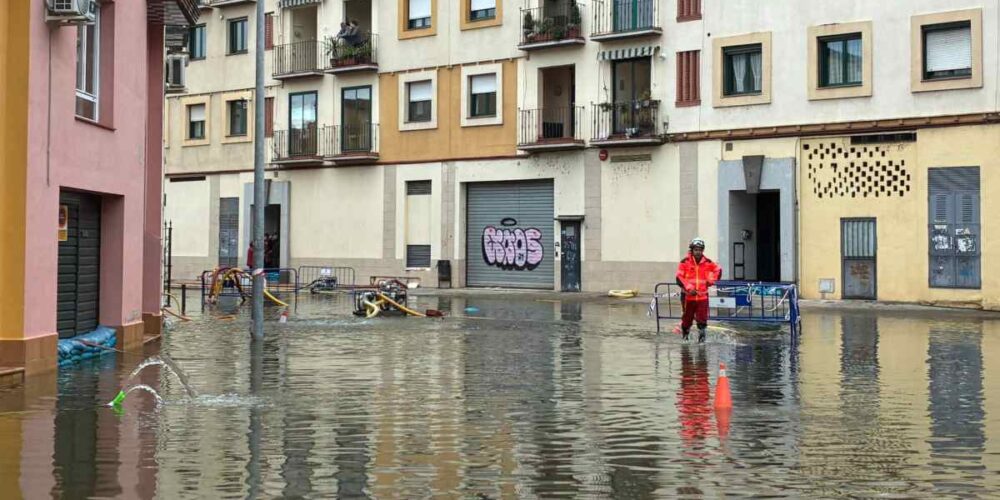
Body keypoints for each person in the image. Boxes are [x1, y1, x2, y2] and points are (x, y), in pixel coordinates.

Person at [675, 237, 721, 343]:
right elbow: (679, 277)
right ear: (692, 250)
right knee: (687, 319)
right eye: (696, 249)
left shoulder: (708, 262)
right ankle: (685, 338)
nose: (698, 252)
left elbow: (718, 270)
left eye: (700, 250)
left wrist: (711, 281)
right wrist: (689, 288)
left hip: (702, 297)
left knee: (702, 319)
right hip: (688, 297)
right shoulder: (685, 262)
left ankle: (702, 341)